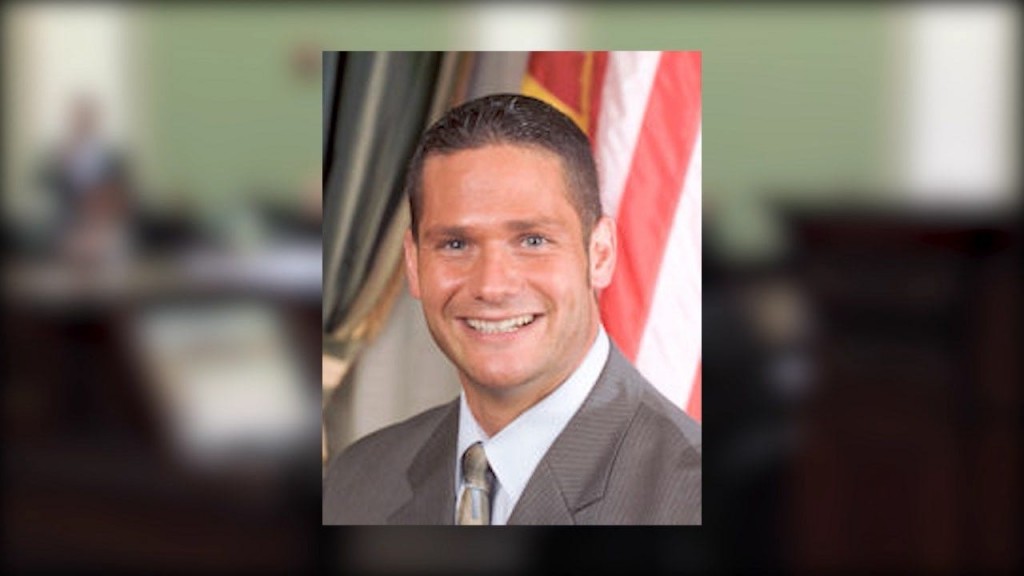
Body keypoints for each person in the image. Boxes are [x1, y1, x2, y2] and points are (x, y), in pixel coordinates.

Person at [322, 93, 701, 525]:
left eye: (533, 241)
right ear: (413, 263)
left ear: (600, 254)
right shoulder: (356, 482)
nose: (492, 286)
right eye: (455, 244)